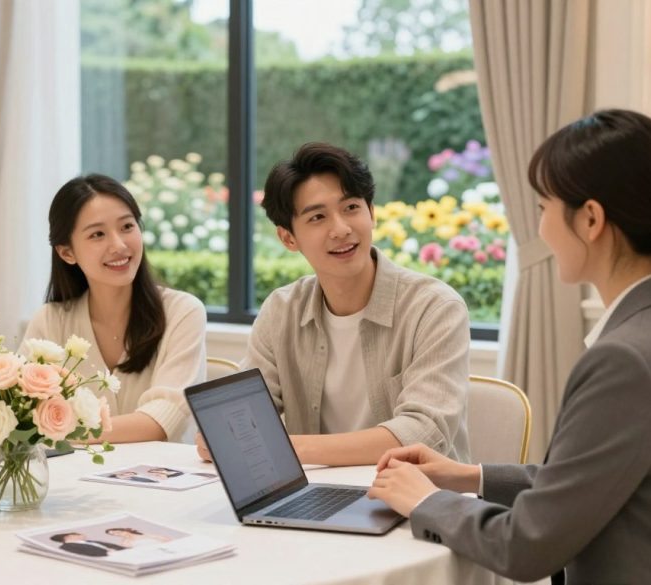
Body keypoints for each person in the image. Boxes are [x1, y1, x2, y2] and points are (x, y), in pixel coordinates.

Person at [367, 109, 651, 584]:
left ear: (591, 218)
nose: (541, 230)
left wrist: (426, 501)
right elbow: (591, 483)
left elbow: (527, 547)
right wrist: (468, 476)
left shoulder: (627, 360)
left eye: (544, 209)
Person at [198, 142, 471, 467]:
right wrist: (221, 435)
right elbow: (234, 423)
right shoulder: (282, 311)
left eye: (351, 208)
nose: (341, 229)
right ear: (288, 238)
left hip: (416, 500)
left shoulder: (434, 308)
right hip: (314, 496)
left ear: (371, 213)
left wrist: (284, 448)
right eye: (317, 217)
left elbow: (421, 431)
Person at [23, 174, 207, 444]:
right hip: (74, 481)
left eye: (127, 227)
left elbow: (160, 422)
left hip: (164, 481)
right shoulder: (50, 321)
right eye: (97, 234)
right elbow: (25, 411)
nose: (119, 245)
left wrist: (61, 430)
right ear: (67, 253)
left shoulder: (182, 312)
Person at [49, 532, 125, 557]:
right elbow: (83, 554)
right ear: (69, 536)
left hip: (122, 553)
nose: (84, 536)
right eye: (79, 535)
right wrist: (107, 553)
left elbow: (113, 545)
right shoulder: (65, 547)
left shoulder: (90, 541)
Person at [104, 527, 172, 547]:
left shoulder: (144, 534)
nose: (116, 533)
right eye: (113, 534)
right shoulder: (125, 543)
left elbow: (166, 539)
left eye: (114, 531)